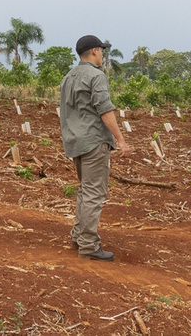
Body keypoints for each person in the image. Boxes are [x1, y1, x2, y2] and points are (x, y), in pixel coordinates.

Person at [59, 35, 132, 262]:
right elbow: (104, 109)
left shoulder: (68, 77)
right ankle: (89, 245)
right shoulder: (96, 76)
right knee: (93, 193)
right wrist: (120, 140)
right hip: (93, 141)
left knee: (85, 190)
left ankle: (79, 236)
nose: (103, 54)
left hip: (75, 142)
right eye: (101, 50)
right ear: (93, 52)